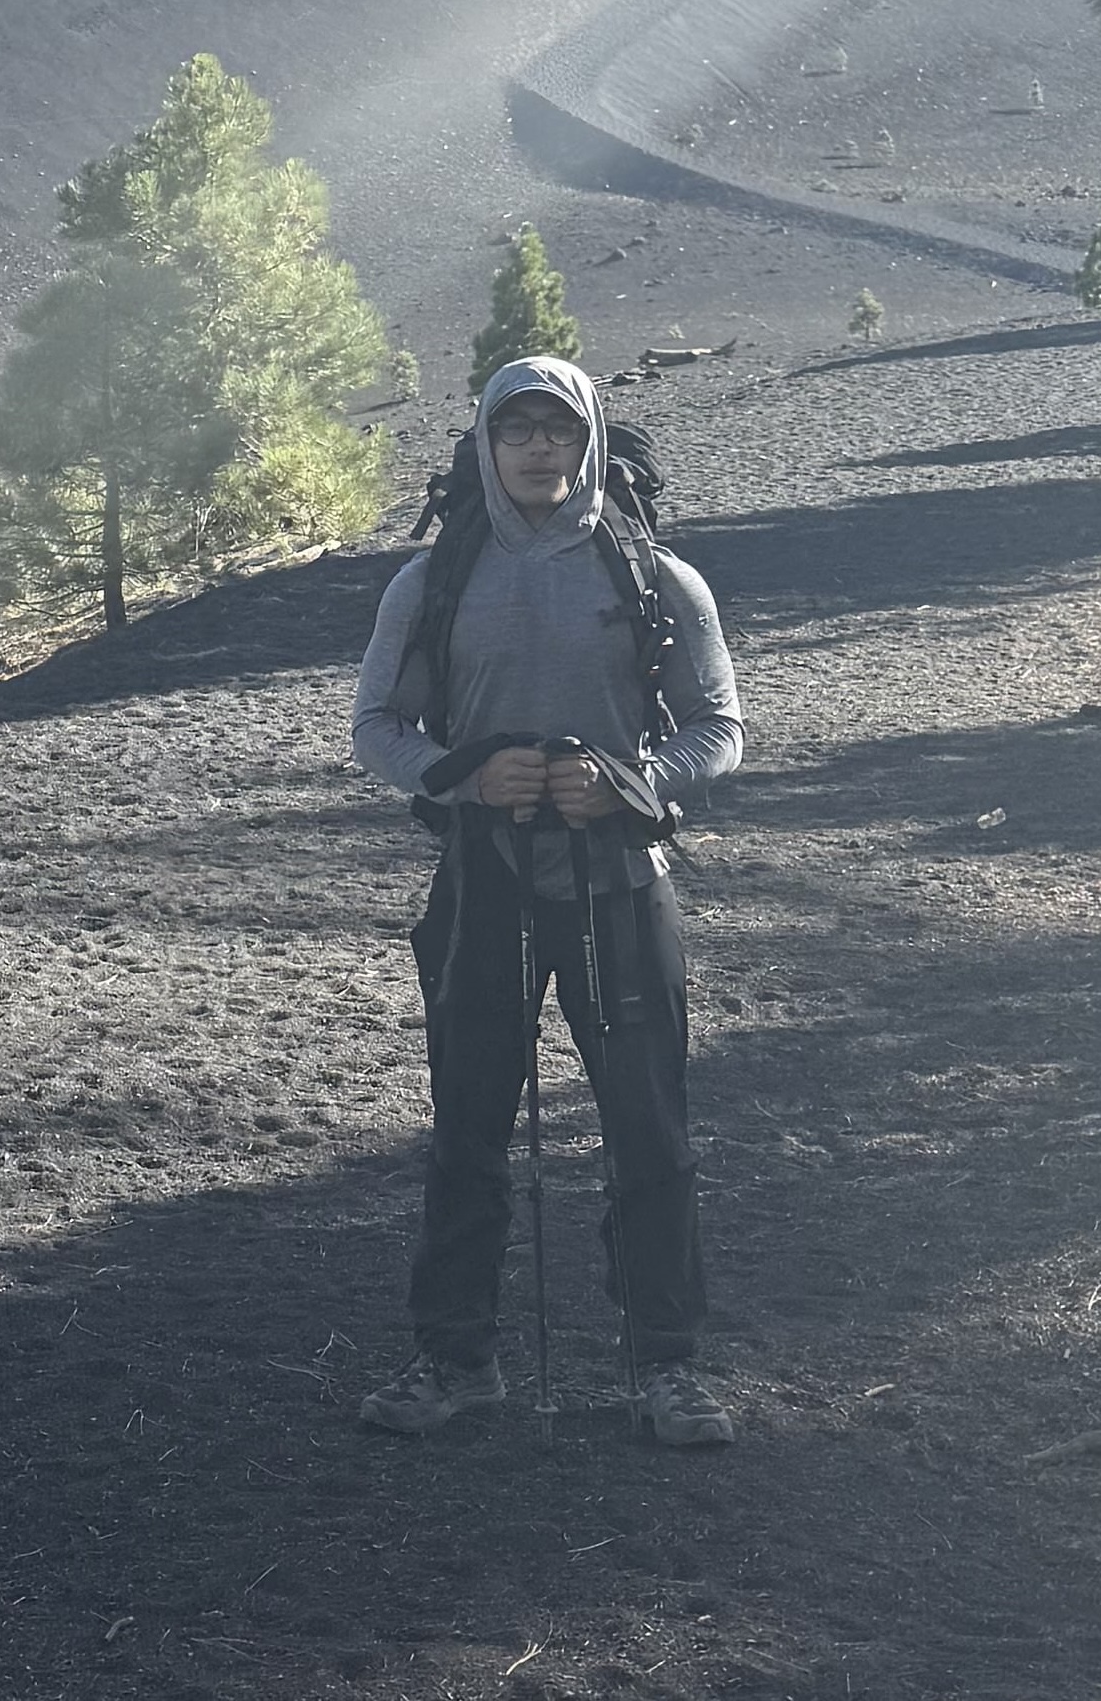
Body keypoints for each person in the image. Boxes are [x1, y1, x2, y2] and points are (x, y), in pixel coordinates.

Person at [350, 354, 745, 1445]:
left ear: (589, 441)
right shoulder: (427, 584)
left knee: (649, 1132)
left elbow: (718, 728)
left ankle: (664, 1367)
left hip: (619, 881)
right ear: (484, 442)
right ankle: (456, 1358)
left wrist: (633, 782)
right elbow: (375, 728)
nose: (536, 447)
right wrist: (466, 774)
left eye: (556, 429)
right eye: (515, 428)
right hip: (481, 885)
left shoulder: (656, 577)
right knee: (466, 1130)